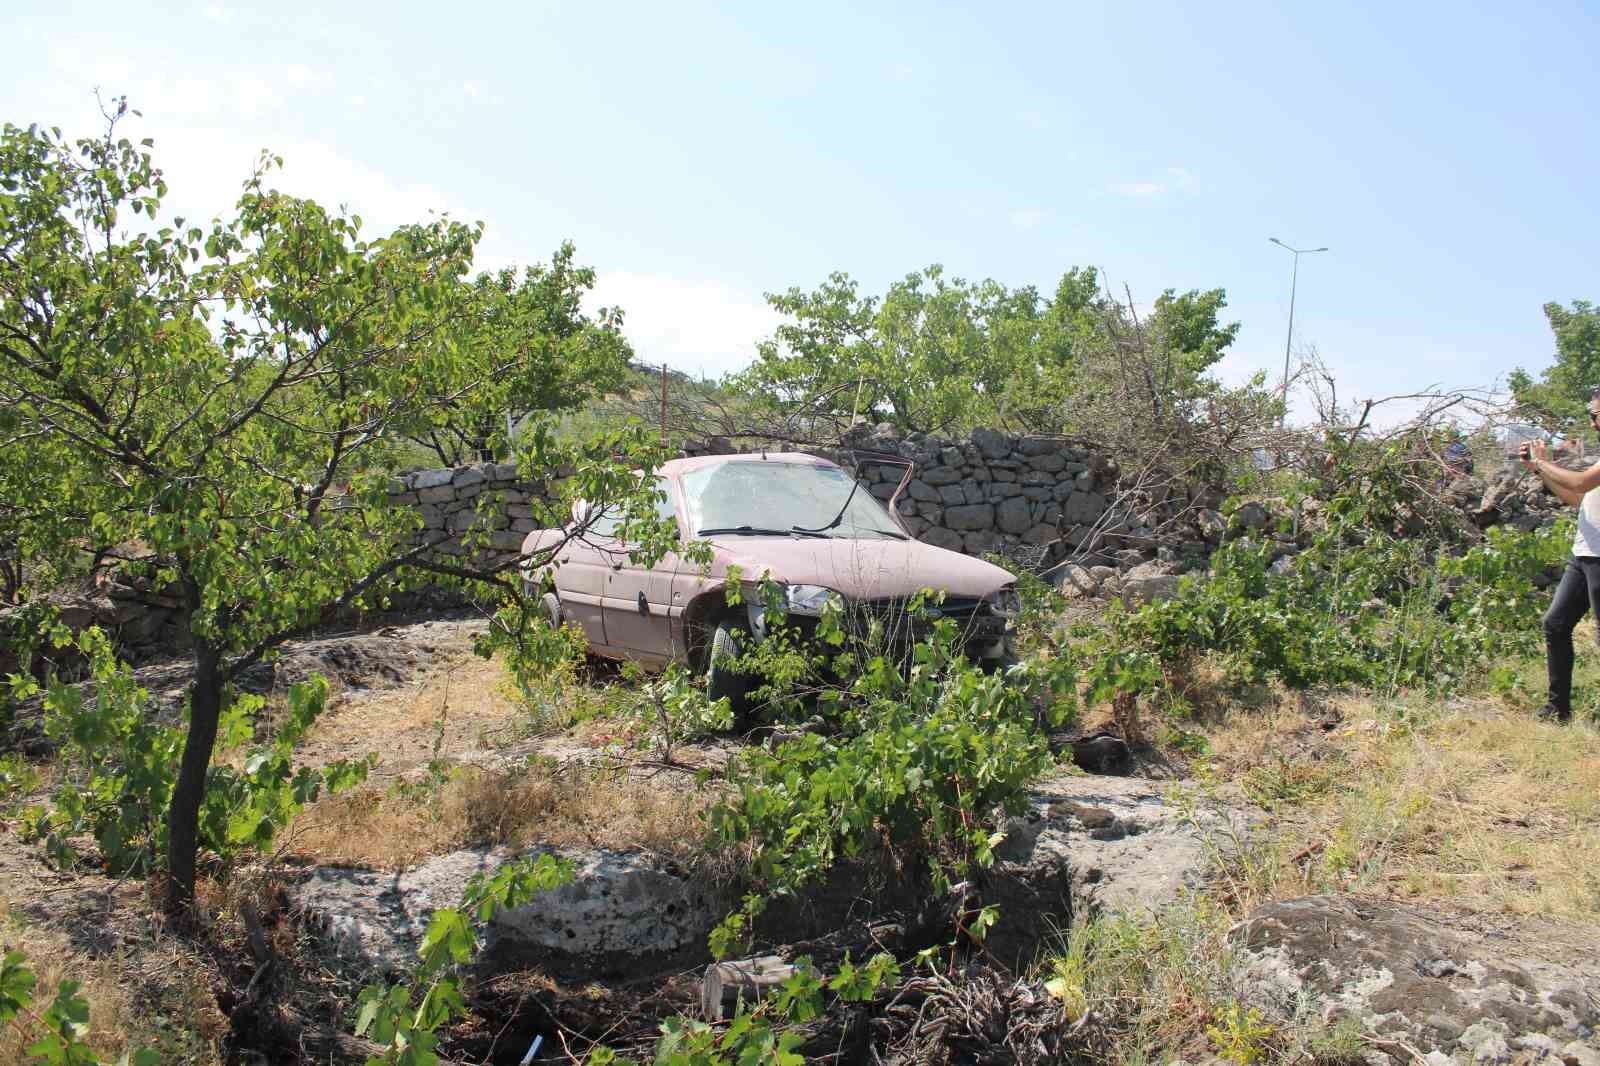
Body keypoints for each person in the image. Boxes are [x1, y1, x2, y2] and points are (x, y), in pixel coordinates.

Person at [1522, 390, 1600, 724]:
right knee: (1555, 624)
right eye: (1592, 414)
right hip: (1584, 554)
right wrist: (1539, 471)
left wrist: (1542, 462)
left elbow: (1581, 482)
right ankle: (1558, 709)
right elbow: (1576, 498)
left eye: (1597, 413)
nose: (1593, 420)